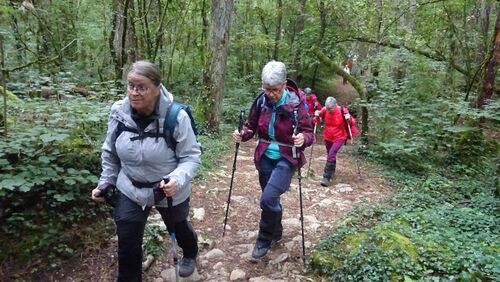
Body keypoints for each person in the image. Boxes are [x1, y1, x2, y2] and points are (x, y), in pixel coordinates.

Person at [91, 60, 201, 281]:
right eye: (131, 86)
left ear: (157, 88)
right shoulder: (118, 113)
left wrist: (177, 179)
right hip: (130, 188)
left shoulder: (176, 116)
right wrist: (106, 182)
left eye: (141, 87)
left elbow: (191, 156)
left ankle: (189, 253)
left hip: (167, 190)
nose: (134, 92)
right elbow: (109, 152)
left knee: (178, 226)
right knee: (127, 245)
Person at [232, 60, 315, 259]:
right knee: (271, 199)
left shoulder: (296, 104)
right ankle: (276, 231)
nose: (270, 93)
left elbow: (309, 133)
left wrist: (303, 138)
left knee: (268, 198)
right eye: (266, 88)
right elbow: (251, 127)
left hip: (286, 158)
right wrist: (242, 133)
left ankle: (264, 239)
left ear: (284, 85)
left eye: (275, 90)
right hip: (264, 157)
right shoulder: (261, 101)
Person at [314, 96, 356, 187]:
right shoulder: (325, 110)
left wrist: (349, 118)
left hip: (340, 136)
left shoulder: (342, 110)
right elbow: (317, 121)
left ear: (335, 105)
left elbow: (351, 123)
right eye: (328, 109)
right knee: (330, 154)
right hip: (328, 136)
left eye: (331, 109)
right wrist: (317, 115)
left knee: (331, 154)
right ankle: (332, 171)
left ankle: (326, 177)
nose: (329, 110)